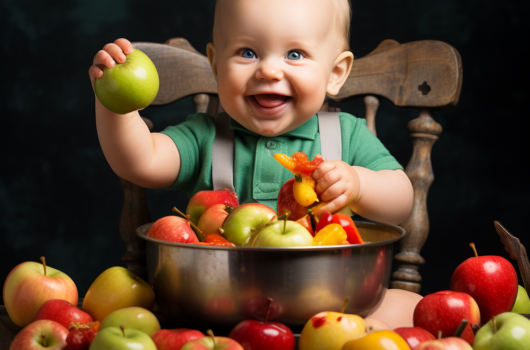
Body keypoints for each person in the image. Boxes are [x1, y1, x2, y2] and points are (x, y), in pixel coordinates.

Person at [88, 0, 413, 225]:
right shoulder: (206, 138)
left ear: (335, 73)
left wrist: (358, 184)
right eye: (248, 52)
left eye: (295, 54)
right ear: (216, 65)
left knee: (398, 303)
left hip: (326, 304)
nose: (269, 71)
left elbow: (402, 203)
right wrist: (114, 101)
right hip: (219, 306)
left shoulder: (345, 135)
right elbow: (138, 162)